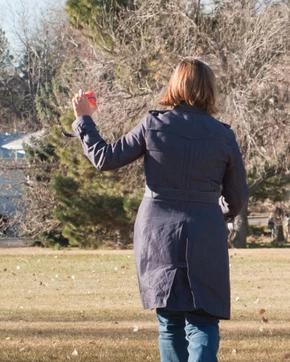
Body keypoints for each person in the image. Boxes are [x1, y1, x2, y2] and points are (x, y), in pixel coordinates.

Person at [70, 58, 249, 362]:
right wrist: (214, 210)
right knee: (203, 319)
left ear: (175, 85)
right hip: (205, 231)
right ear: (209, 90)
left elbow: (105, 158)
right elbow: (237, 198)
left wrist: (85, 120)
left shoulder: (153, 125)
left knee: (170, 322)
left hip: (158, 234)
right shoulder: (224, 135)